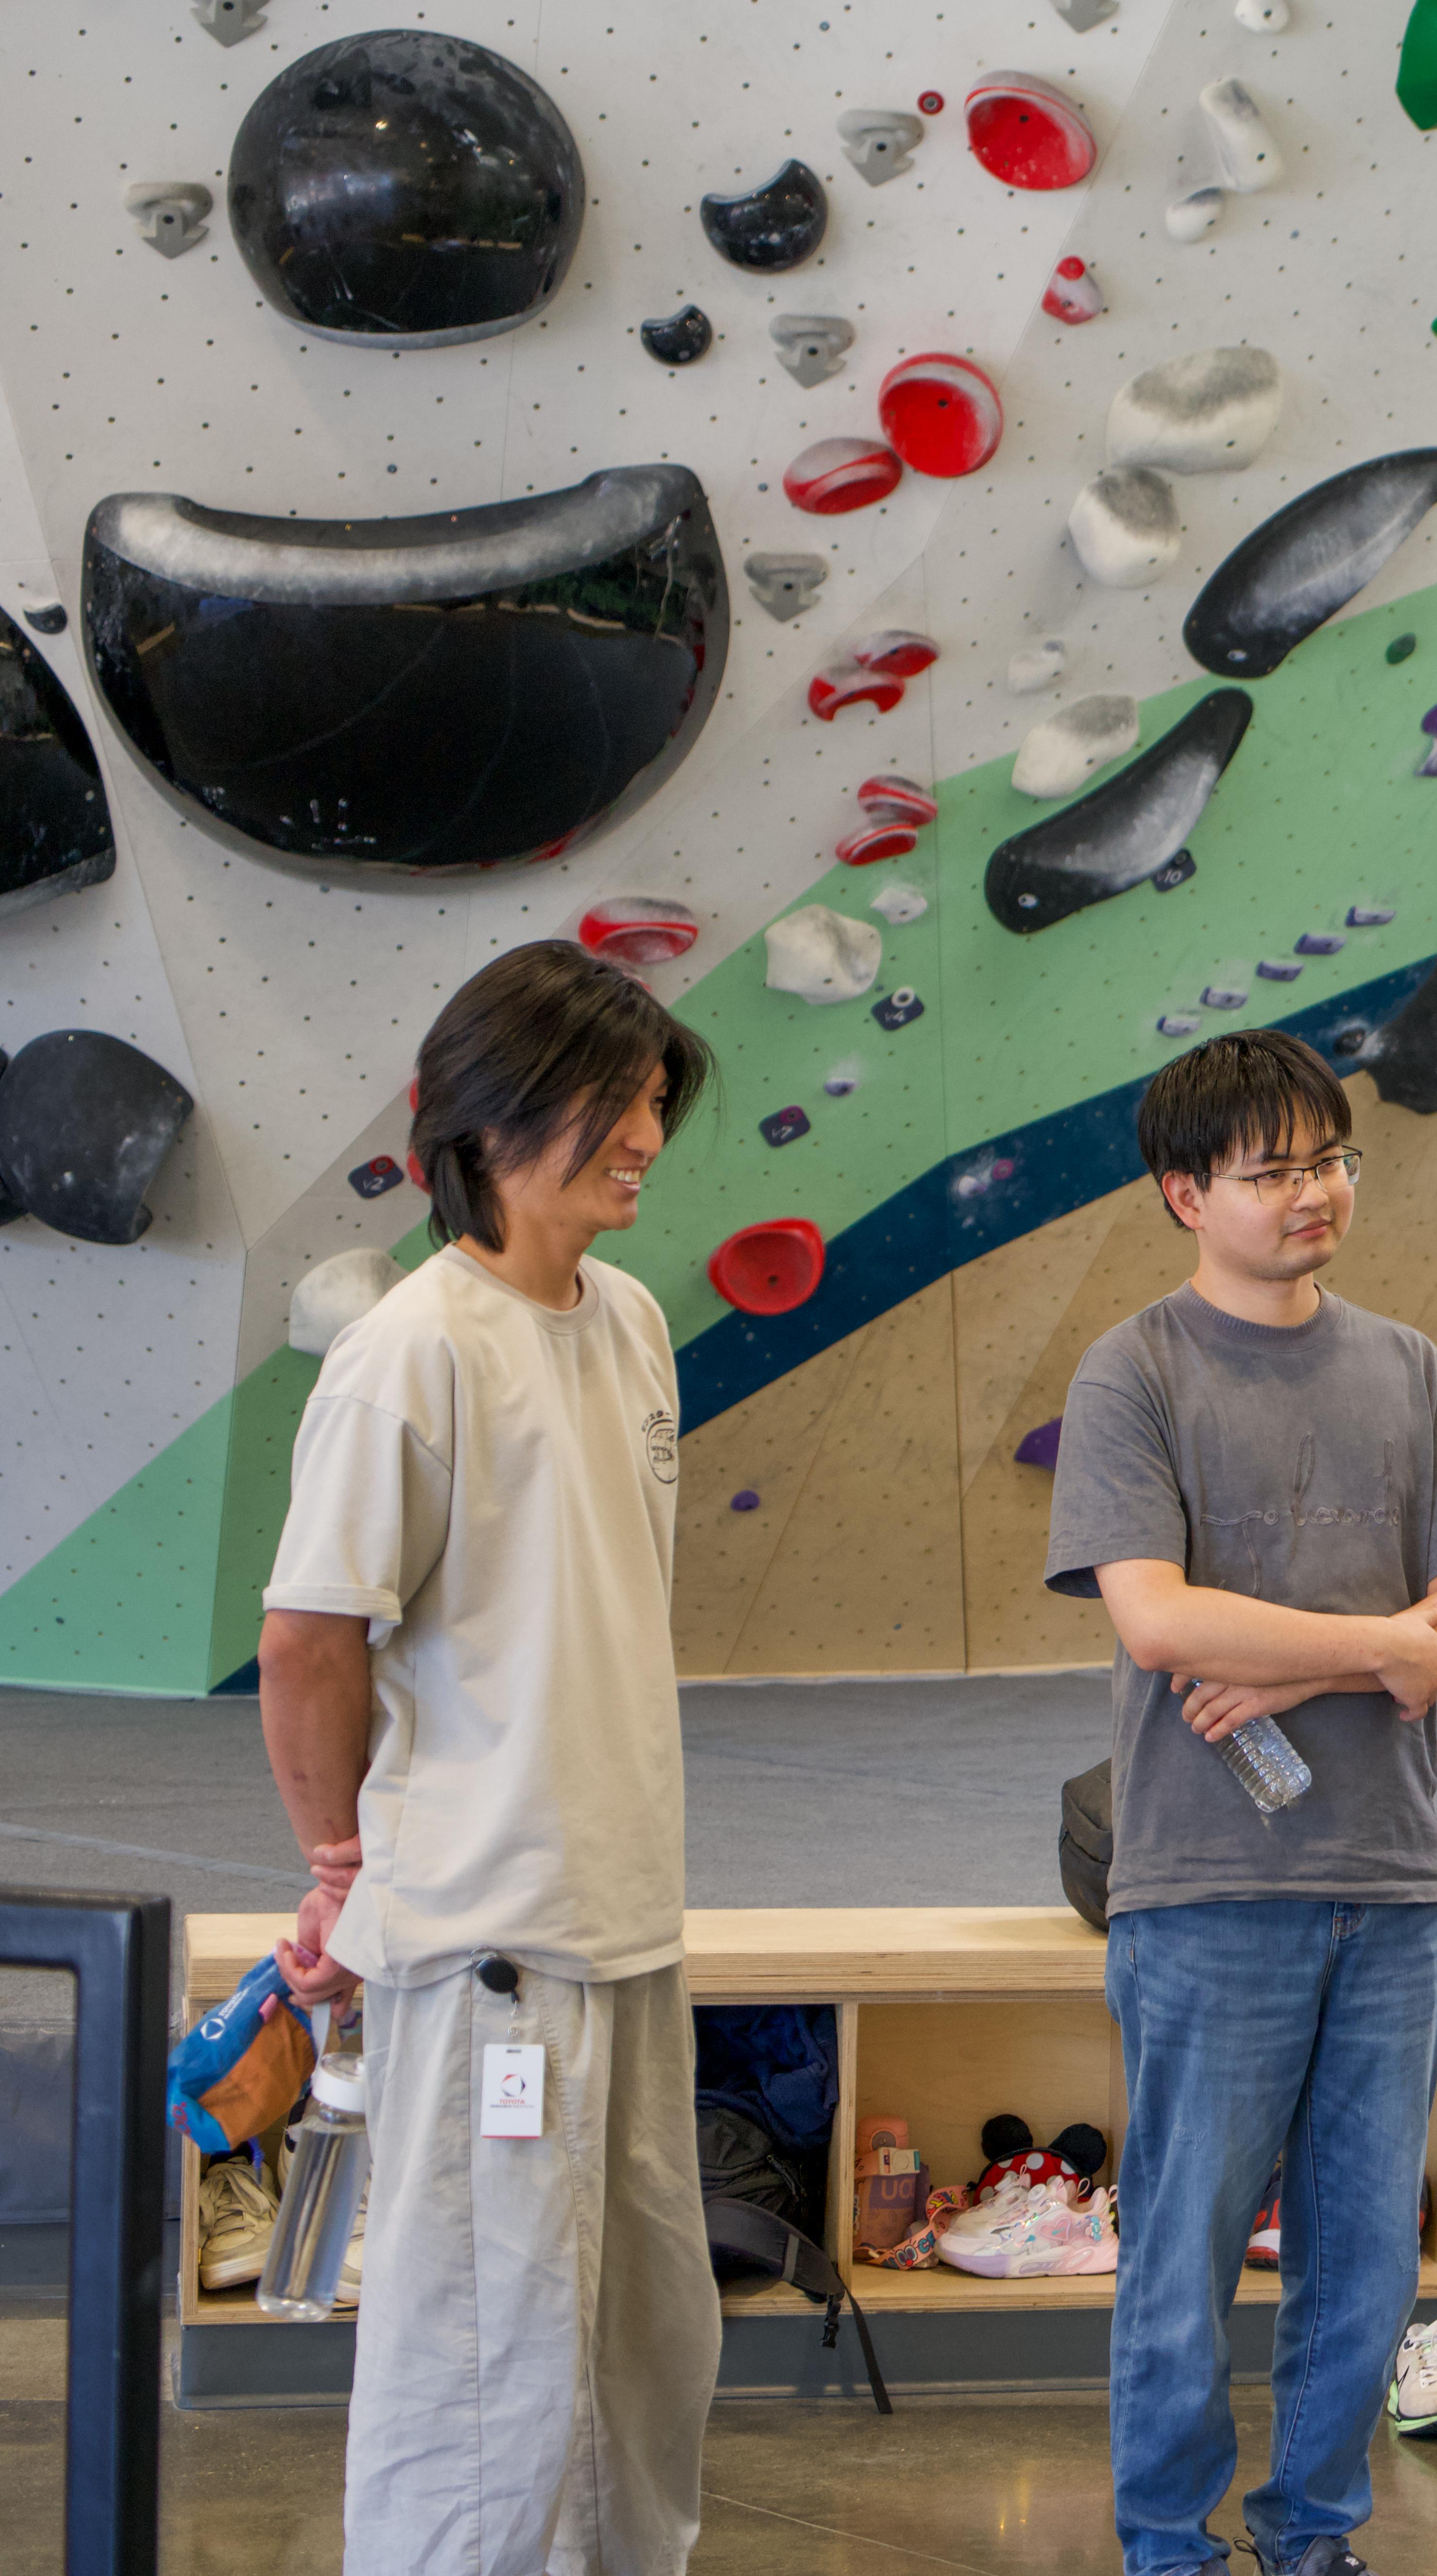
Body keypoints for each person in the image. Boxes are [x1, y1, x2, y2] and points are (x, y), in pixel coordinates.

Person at [256, 941, 725, 2575]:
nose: (646, 1136)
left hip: (629, 1915)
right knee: (489, 2378)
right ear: (489, 1117)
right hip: (489, 1945)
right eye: (612, 1102)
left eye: (654, 1100)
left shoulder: (634, 1318)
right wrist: (341, 1866)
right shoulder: (413, 1348)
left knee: (643, 2353)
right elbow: (310, 1639)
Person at [1044, 1029, 1437, 2576]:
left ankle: (1314, 2534)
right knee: (1182, 2251)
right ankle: (1167, 2545)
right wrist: (1381, 1648)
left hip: (1387, 1881)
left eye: (1331, 1160)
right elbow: (1160, 1622)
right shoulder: (1135, 1371)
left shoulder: (1411, 1368)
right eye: (1274, 1171)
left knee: (1364, 2256)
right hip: (1207, 1884)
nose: (1315, 1192)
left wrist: (1310, 1664)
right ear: (1186, 1194)